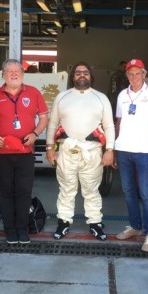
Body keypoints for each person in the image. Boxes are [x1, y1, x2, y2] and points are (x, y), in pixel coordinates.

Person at [46, 61, 115, 241]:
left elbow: (109, 126)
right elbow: (53, 124)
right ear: (73, 76)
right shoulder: (62, 97)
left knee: (91, 189)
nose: (82, 75)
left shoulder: (101, 98)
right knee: (66, 189)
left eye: (85, 72)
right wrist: (49, 149)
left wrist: (110, 150)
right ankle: (64, 221)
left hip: (92, 152)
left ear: (91, 76)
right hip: (67, 151)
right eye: (78, 73)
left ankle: (95, 222)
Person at [0, 59, 49, 245]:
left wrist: (35, 134)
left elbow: (44, 118)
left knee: (23, 191)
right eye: (9, 71)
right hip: (1, 152)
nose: (14, 74)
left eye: (17, 71)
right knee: (4, 192)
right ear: (3, 75)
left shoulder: (34, 93)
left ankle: (22, 229)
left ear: (23, 74)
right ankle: (10, 230)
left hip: (25, 151)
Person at [114, 58, 148, 252]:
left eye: (138, 73)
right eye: (131, 73)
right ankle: (135, 226)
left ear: (144, 74)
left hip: (144, 151)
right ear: (126, 75)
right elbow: (118, 122)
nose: (134, 76)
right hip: (124, 150)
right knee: (128, 191)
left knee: (146, 193)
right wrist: (115, 147)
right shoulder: (122, 95)